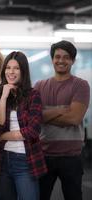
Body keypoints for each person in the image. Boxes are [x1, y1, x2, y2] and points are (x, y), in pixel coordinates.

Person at [34, 40, 90, 200]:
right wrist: (60, 110)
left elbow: (74, 118)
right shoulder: (39, 86)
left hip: (71, 156)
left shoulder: (81, 85)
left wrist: (45, 115)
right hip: (43, 154)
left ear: (72, 60)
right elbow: (34, 117)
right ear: (52, 59)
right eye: (57, 56)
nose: (61, 60)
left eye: (66, 57)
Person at [0, 51, 47, 200]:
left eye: (16, 68)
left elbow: (33, 131)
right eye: (8, 67)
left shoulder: (33, 95)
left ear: (23, 71)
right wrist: (4, 97)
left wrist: (2, 136)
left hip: (25, 160)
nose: (11, 72)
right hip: (0, 160)